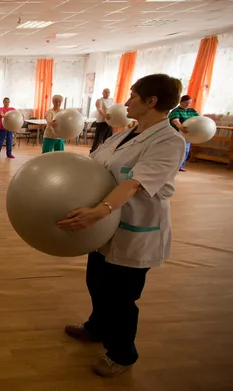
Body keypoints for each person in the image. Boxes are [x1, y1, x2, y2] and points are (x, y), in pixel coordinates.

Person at [57, 74, 186, 378]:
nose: (126, 102)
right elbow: (96, 165)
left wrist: (99, 212)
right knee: (97, 282)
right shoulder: (126, 133)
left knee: (122, 298)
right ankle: (96, 327)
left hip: (132, 227)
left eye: (133, 96)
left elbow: (135, 183)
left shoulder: (169, 141)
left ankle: (121, 353)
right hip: (103, 226)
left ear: (151, 101)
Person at [169, 95, 199, 172]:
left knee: (186, 150)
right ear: (181, 102)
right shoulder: (176, 111)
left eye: (189, 103)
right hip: (176, 134)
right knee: (176, 150)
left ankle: (180, 166)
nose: (187, 105)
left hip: (187, 135)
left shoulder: (192, 111)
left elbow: (199, 120)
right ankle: (172, 165)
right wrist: (181, 128)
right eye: (186, 103)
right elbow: (175, 120)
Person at [91, 88, 116, 153]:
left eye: (108, 92)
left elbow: (114, 108)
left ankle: (105, 152)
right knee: (98, 138)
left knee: (108, 138)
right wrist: (105, 116)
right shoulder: (99, 100)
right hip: (101, 122)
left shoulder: (111, 100)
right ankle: (93, 152)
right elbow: (99, 109)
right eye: (106, 92)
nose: (107, 93)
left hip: (110, 122)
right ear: (102, 93)